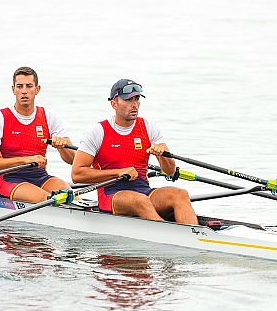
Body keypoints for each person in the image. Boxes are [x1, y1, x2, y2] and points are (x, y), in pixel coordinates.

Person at [71, 79, 197, 224]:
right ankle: (168, 236)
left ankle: (195, 237)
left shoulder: (148, 127)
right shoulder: (97, 132)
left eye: (137, 99)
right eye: (128, 100)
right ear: (114, 103)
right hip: (111, 195)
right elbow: (77, 174)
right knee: (140, 201)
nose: (134, 105)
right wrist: (117, 172)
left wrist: (162, 156)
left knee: (180, 194)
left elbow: (169, 171)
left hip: (144, 191)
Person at [0, 66, 76, 203]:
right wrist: (25, 160)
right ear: (13, 90)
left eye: (29, 86)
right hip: (10, 179)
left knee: (71, 196)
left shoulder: (50, 117)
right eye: (19, 86)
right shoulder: (0, 118)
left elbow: (72, 160)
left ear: (37, 89)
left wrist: (62, 147)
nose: (24, 91)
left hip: (41, 177)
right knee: (46, 199)